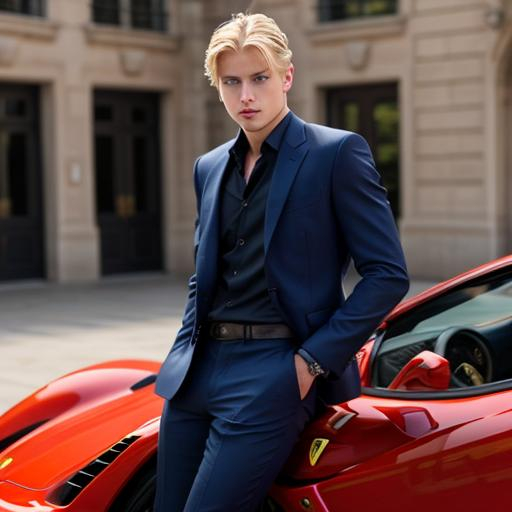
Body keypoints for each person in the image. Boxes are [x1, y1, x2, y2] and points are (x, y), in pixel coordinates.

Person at [154, 11, 409, 512]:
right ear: (218, 85)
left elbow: (387, 274)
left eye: (259, 79)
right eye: (231, 82)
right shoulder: (207, 167)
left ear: (287, 77)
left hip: (272, 373)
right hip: (195, 374)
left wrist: (310, 362)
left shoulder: (336, 154)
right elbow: (202, 274)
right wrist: (182, 349)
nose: (245, 96)